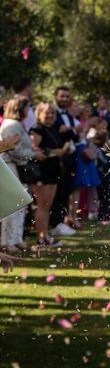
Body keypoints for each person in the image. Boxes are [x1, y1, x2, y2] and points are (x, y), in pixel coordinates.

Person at [29, 102, 70, 247]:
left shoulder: (52, 128)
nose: (50, 115)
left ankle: (45, 236)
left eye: (52, 113)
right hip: (41, 172)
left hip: (53, 171)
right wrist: (56, 152)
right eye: (47, 112)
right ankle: (41, 239)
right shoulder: (37, 129)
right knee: (41, 206)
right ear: (39, 114)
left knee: (47, 206)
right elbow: (33, 150)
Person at [0, 97, 34, 252]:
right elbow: (14, 150)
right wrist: (33, 155)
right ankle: (7, 241)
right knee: (13, 205)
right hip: (10, 166)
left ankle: (16, 238)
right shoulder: (11, 124)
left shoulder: (16, 124)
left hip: (16, 166)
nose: (29, 110)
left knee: (20, 205)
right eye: (27, 107)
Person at [50, 86, 79, 237]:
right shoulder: (51, 113)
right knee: (58, 192)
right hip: (58, 158)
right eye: (62, 96)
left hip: (69, 158)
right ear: (55, 96)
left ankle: (61, 221)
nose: (65, 99)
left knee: (65, 191)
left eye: (67, 96)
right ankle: (55, 224)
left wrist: (71, 131)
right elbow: (56, 133)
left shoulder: (67, 114)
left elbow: (73, 136)